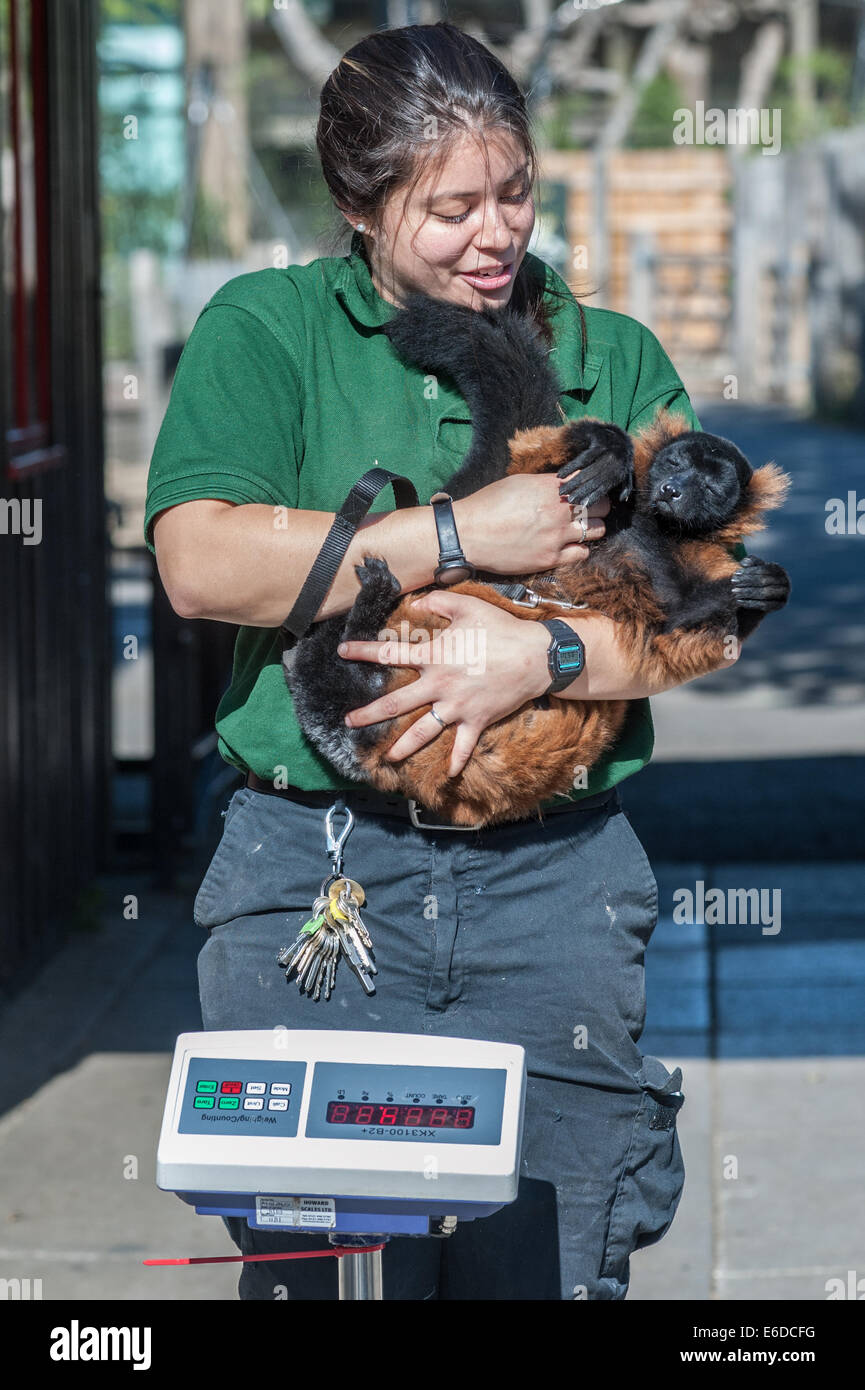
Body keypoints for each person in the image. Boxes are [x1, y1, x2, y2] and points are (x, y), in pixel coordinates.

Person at [144, 22, 734, 1301]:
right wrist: (459, 533)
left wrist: (548, 655)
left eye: (513, 192)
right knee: (332, 1276)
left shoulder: (612, 356)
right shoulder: (271, 329)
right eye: (450, 207)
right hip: (320, 880)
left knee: (557, 1258)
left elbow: (712, 612)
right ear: (360, 206)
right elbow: (198, 559)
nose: (495, 232)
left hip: (553, 886)